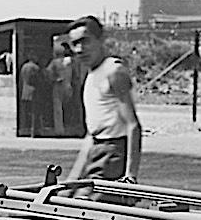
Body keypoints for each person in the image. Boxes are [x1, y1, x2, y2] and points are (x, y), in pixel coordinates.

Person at [63, 15, 142, 200]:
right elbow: (92, 135)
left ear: (100, 40)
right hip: (96, 152)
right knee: (66, 202)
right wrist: (71, 181)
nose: (80, 49)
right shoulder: (91, 76)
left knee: (85, 210)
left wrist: (130, 177)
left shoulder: (114, 71)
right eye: (75, 44)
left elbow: (133, 125)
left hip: (113, 154)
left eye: (85, 41)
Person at [47, 41, 75, 135]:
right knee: (69, 107)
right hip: (69, 85)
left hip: (58, 85)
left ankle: (59, 130)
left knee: (58, 108)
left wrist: (54, 79)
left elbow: (48, 73)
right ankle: (70, 128)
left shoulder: (54, 62)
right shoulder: (70, 61)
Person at [18, 55, 43, 137]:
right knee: (35, 113)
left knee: (27, 112)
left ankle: (26, 129)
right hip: (34, 91)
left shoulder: (24, 67)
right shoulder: (35, 68)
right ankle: (34, 131)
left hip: (25, 92)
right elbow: (39, 80)